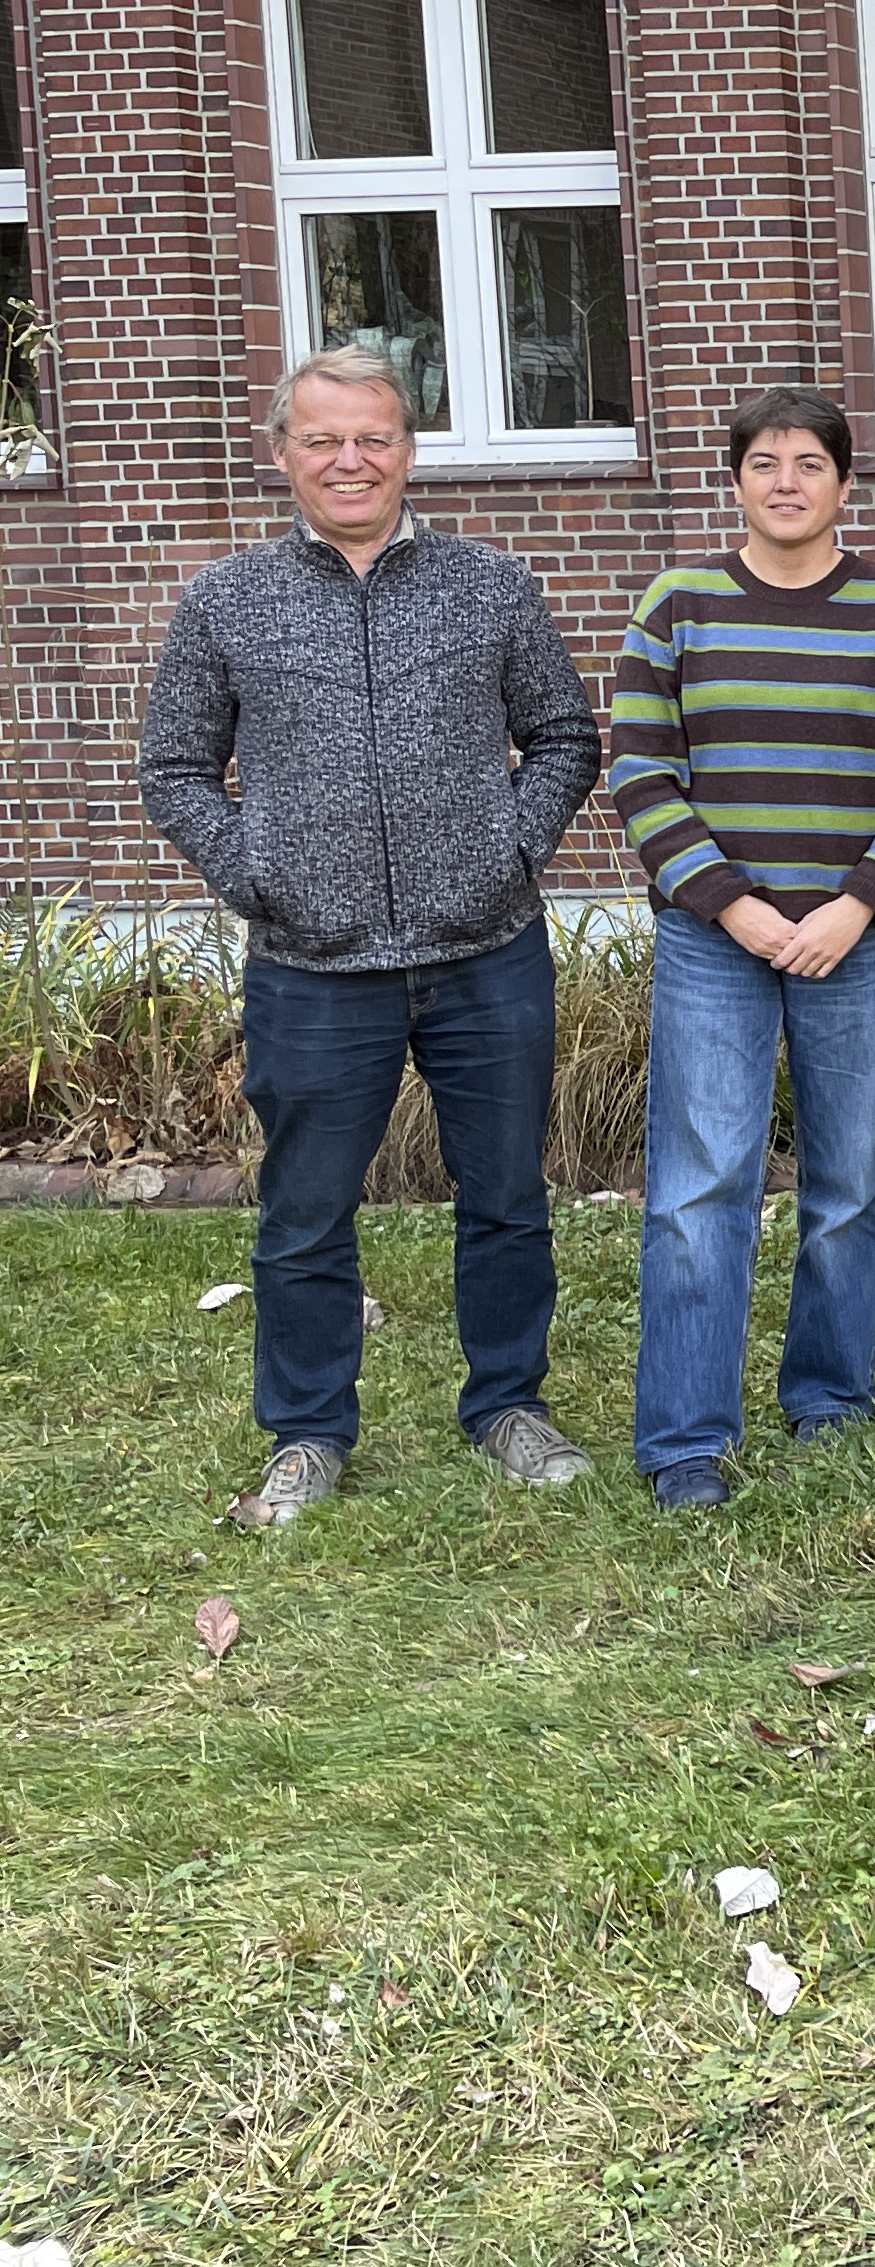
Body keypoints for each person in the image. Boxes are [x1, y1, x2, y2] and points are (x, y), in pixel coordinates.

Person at [138, 347, 605, 1526]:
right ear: (283, 454)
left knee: (504, 1196)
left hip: (485, 954)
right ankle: (306, 1434)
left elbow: (563, 737)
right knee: (305, 1214)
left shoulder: (490, 587)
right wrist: (256, 875)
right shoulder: (225, 601)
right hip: (311, 968)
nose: (352, 460)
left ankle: (509, 1405)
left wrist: (508, 852)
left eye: (376, 437)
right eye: (325, 439)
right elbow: (176, 769)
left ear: (409, 449)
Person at [608, 388, 875, 1511]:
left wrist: (857, 906)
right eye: (763, 463)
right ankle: (685, 1439)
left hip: (857, 940)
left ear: (844, 484)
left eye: (809, 463)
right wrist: (733, 906)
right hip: (719, 939)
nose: (786, 482)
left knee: (850, 1184)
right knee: (699, 1186)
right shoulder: (678, 607)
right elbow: (642, 772)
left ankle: (829, 1401)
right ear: (736, 483)